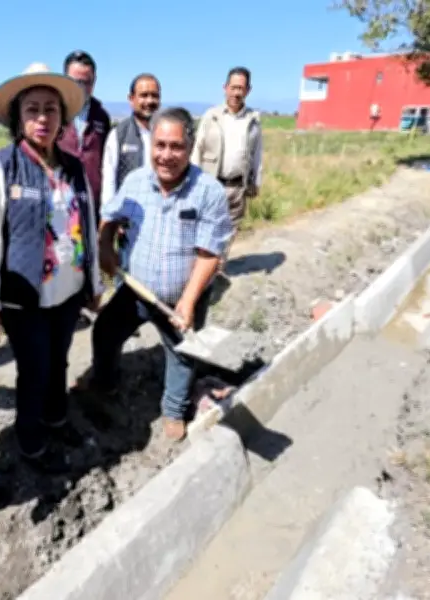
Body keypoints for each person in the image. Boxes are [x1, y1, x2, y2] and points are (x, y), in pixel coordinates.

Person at [0, 63, 103, 473]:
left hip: (67, 291)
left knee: (60, 360)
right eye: (32, 109)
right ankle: (30, 441)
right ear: (18, 118)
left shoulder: (73, 168)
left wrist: (94, 283)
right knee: (33, 370)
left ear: (63, 117)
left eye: (50, 109)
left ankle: (56, 418)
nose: (42, 118)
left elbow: (90, 229)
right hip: (23, 298)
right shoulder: (1, 169)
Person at [92, 108, 233, 441]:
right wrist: (105, 248)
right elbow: (109, 215)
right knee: (105, 333)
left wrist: (187, 300)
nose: (166, 155)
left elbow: (209, 253)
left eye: (175, 147)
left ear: (190, 146)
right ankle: (105, 383)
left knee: (182, 357)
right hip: (135, 290)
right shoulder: (136, 181)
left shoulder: (208, 191)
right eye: (160, 145)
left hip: (183, 295)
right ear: (151, 144)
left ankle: (173, 409)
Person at [191, 66, 263, 276]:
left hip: (237, 186)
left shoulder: (253, 121)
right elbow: (198, 148)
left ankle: (218, 271)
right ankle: (198, 272)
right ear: (225, 88)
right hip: (212, 183)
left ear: (248, 90)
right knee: (205, 228)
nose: (236, 92)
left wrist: (255, 182)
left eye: (241, 88)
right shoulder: (211, 116)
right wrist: (194, 181)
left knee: (229, 231)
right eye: (233, 87)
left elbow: (257, 153)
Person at [57, 50, 112, 222]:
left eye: (86, 82)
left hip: (92, 205)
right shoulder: (54, 112)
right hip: (59, 204)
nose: (81, 87)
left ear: (94, 82)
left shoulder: (101, 116)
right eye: (75, 82)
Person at [101, 73, 162, 206]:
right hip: (129, 216)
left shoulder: (167, 133)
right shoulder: (119, 135)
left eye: (154, 95)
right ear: (131, 99)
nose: (150, 101)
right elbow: (109, 181)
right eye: (144, 95)